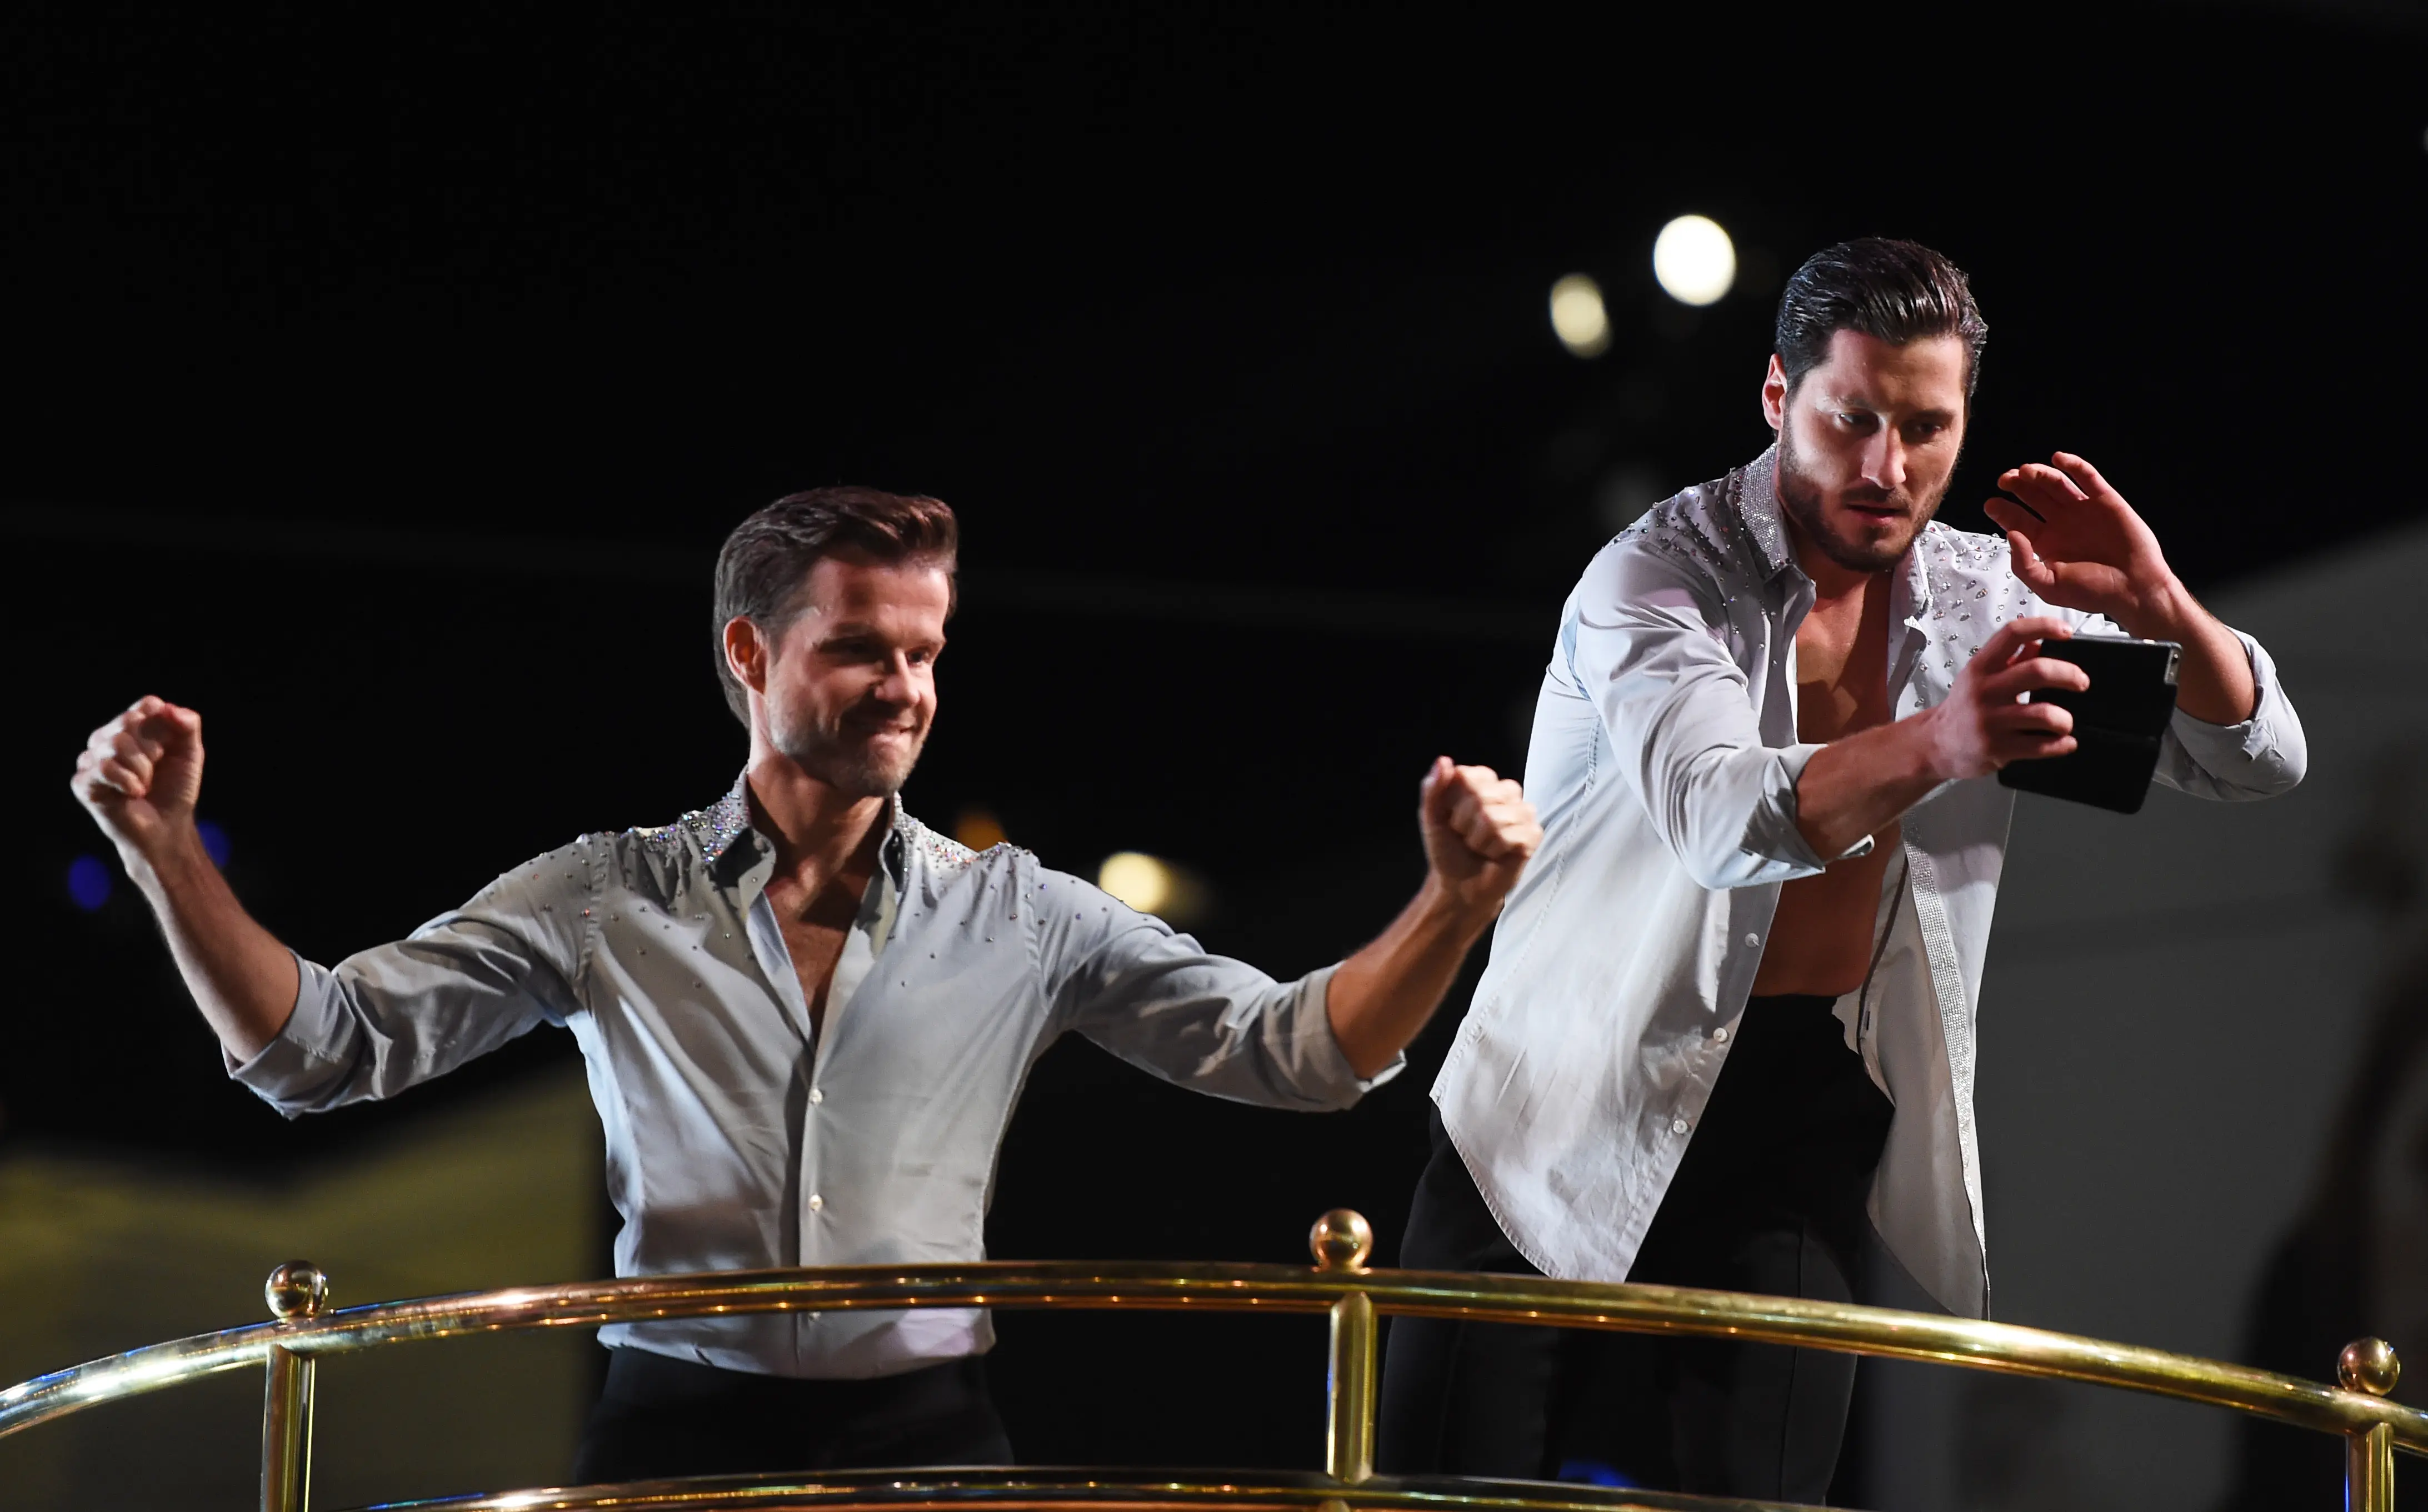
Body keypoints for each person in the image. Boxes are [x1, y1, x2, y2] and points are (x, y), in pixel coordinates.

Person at [71, 485, 1542, 1483]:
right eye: (858, 650)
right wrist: (164, 851)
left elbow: (1294, 1054)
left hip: (931, 1440)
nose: (904, 688)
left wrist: (1454, 901)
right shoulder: (602, 897)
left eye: (925, 652)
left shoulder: (1020, 914)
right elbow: (321, 1048)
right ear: (749, 651)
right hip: (672, 1435)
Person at [1376, 238, 2307, 1500]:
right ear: (1779, 395)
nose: (1886, 468)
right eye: (1852, 419)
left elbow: (2251, 761)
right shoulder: (1654, 574)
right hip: (1562, 1084)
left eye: (1925, 428)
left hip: (1797, 1113)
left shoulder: (1979, 596)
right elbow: (1716, 816)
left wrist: (2158, 603)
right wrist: (1945, 740)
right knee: (1440, 1496)